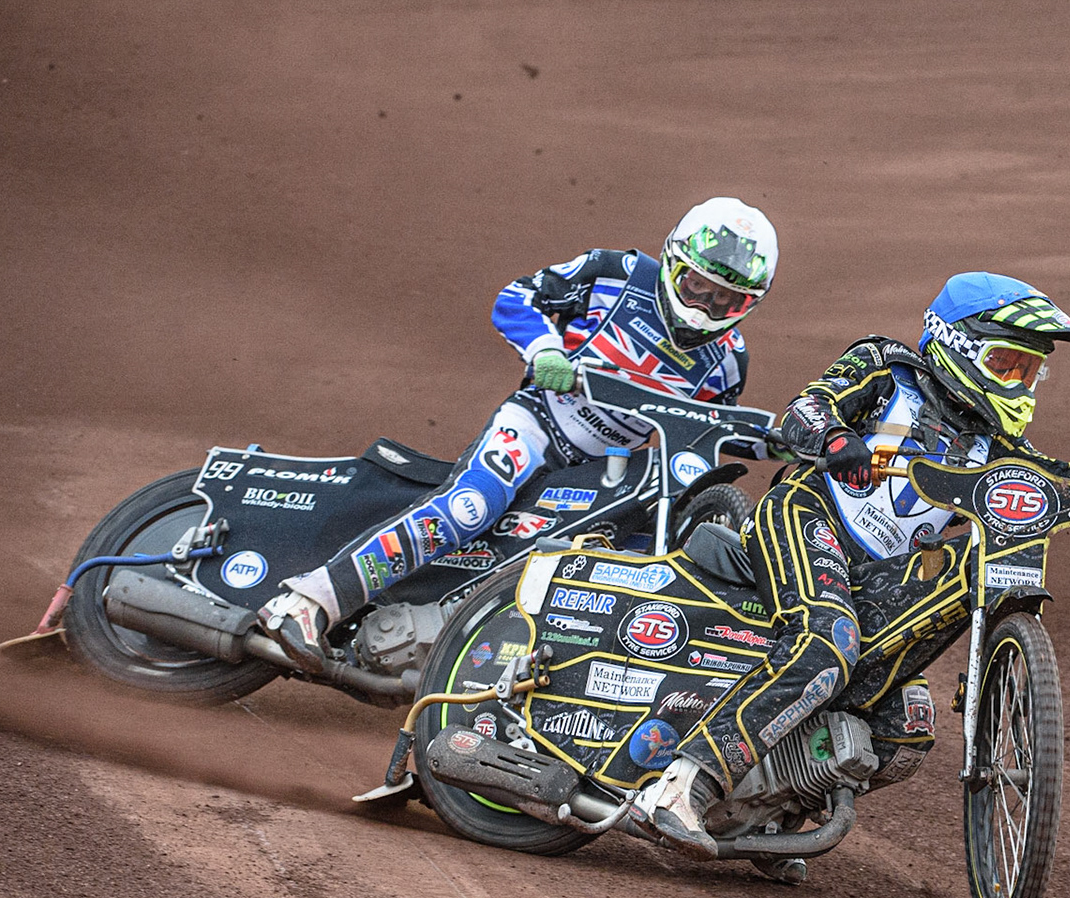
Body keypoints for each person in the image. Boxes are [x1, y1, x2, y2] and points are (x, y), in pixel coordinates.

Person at [631, 272, 1070, 861]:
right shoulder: (887, 369)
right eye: (1008, 364)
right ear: (960, 344)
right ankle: (683, 784)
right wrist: (837, 440)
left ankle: (769, 811)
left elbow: (1060, 478)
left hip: (876, 571)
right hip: (809, 515)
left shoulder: (997, 445)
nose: (1020, 383)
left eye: (1029, 371)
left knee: (905, 723)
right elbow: (805, 408)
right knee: (826, 644)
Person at [258, 197, 778, 671]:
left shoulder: (728, 363)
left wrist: (785, 440)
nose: (705, 305)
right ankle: (310, 600)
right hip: (537, 424)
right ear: (674, 262)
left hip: (609, 470)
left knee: (623, 560)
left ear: (748, 304)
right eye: (697, 287)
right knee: (471, 506)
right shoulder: (615, 272)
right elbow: (518, 297)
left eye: (725, 301)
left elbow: (710, 432)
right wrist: (546, 351)